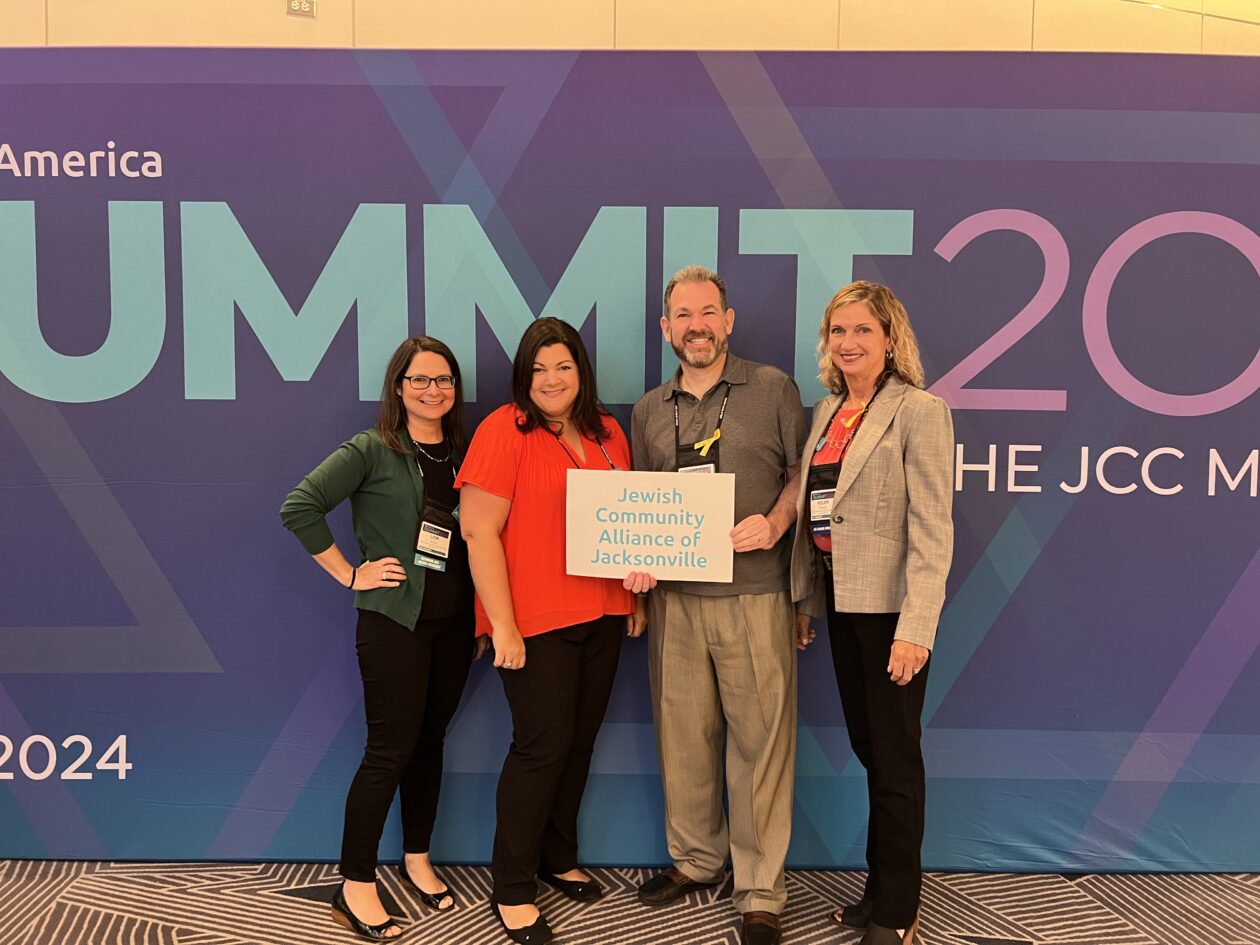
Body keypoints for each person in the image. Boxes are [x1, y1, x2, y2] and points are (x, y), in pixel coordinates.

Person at [631, 266, 810, 945]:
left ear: (728, 321)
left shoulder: (771, 388)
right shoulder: (650, 408)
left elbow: (805, 474)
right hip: (675, 601)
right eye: (683, 314)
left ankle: (760, 888)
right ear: (666, 328)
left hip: (754, 593)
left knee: (760, 743)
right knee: (684, 738)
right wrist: (639, 562)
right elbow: (640, 504)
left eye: (708, 312)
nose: (696, 325)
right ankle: (696, 860)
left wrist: (775, 520)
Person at [280, 336, 477, 941]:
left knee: (430, 744)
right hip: (394, 622)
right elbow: (300, 506)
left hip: (455, 626)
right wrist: (350, 573)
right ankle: (355, 885)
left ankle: (417, 857)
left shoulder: (466, 453)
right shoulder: (372, 448)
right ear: (398, 387)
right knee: (388, 752)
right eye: (419, 380)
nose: (432, 390)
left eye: (443, 380)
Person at [457, 317, 643, 945]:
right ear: (522, 375)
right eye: (538, 369)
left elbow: (628, 522)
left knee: (579, 741)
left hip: (604, 614)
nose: (551, 379)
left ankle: (556, 856)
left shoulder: (609, 431)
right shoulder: (503, 430)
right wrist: (502, 624)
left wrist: (632, 594)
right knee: (541, 748)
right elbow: (479, 533)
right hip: (533, 622)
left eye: (562, 366)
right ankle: (511, 888)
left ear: (581, 372)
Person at [790, 281, 954, 945]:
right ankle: (877, 889)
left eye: (863, 330)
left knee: (894, 760)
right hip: (843, 603)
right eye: (839, 331)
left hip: (893, 616)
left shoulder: (919, 410)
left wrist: (916, 630)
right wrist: (806, 599)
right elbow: (813, 514)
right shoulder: (828, 411)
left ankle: (897, 910)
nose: (850, 342)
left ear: (890, 339)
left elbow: (933, 529)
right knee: (870, 751)